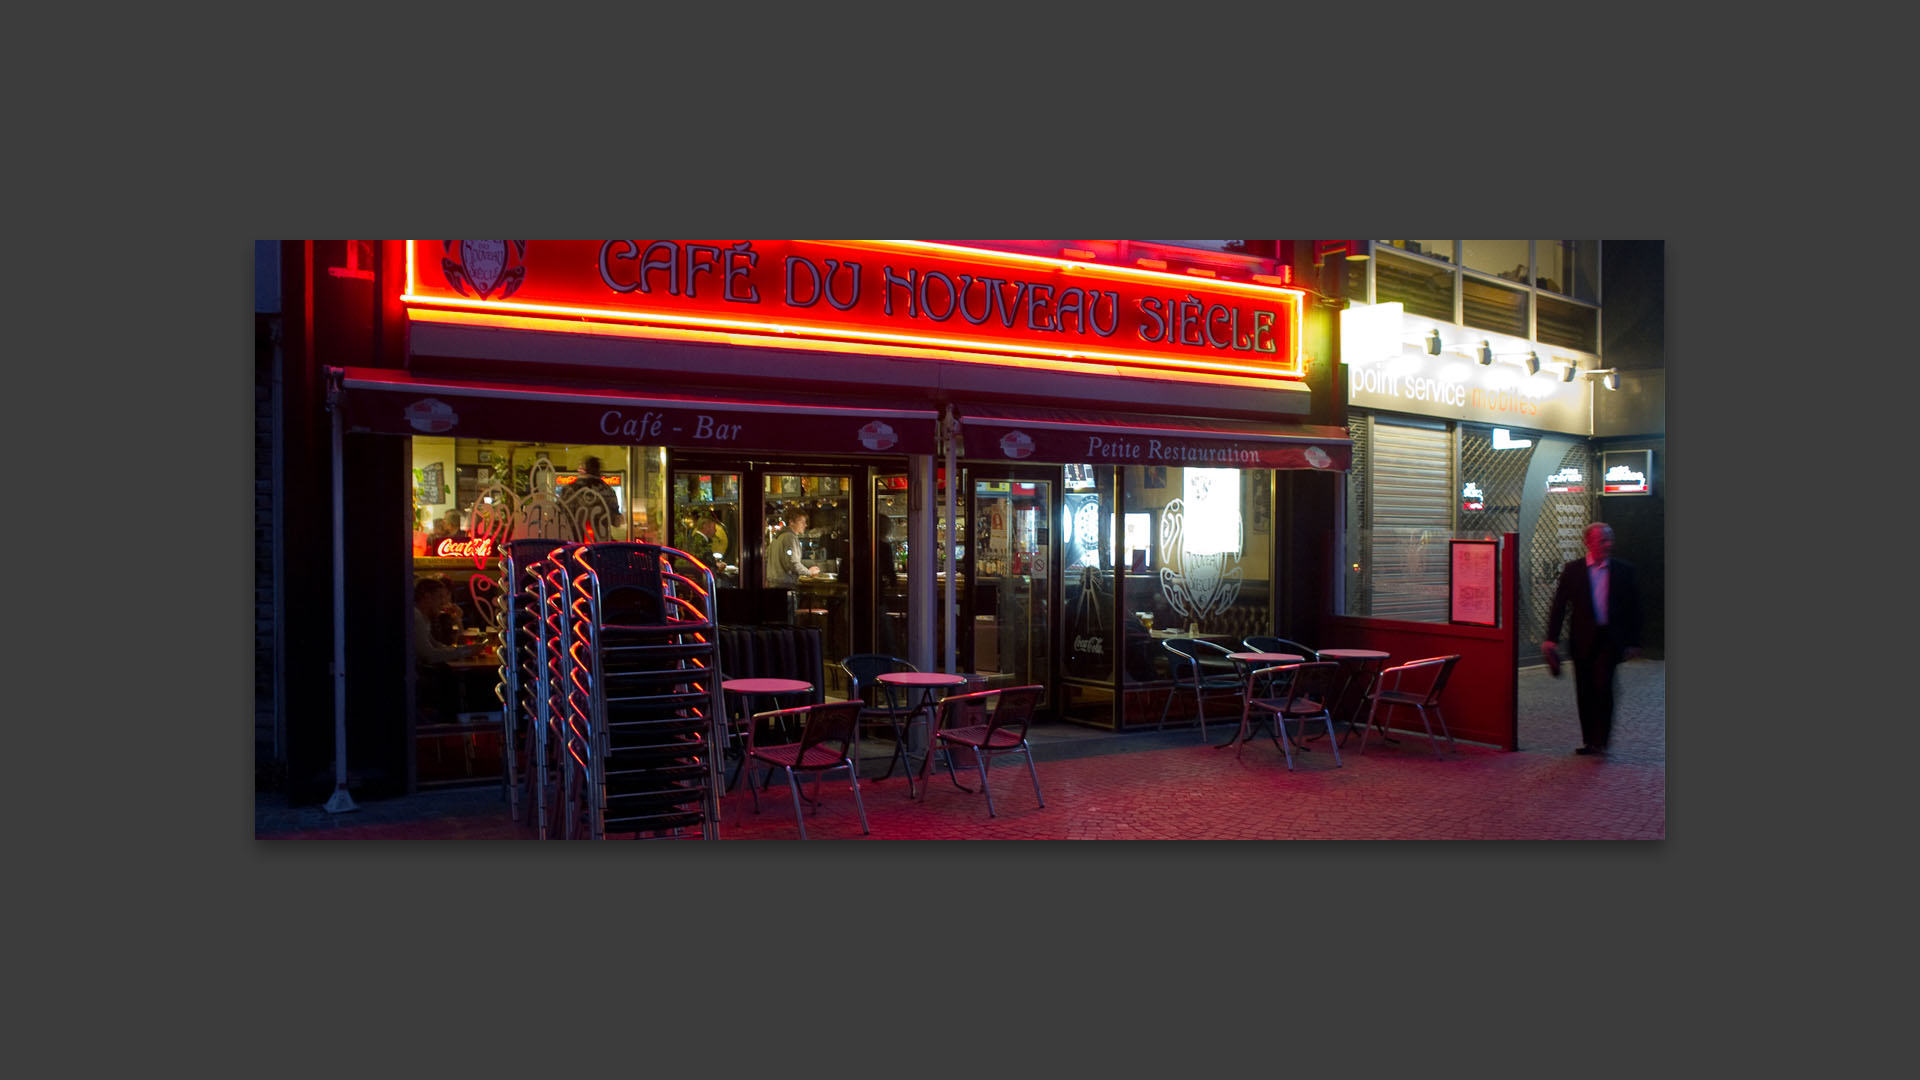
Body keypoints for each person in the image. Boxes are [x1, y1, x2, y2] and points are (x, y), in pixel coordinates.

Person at [1544, 521, 1643, 756]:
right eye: (1602, 540)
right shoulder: (1574, 570)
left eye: (1610, 539)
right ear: (1588, 542)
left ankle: (1601, 738)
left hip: (1609, 639)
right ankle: (1589, 740)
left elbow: (1634, 608)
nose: (1608, 544)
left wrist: (1634, 641)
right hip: (1582, 639)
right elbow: (1559, 606)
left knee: (1604, 687)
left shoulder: (1623, 570)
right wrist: (1551, 638)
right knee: (1585, 689)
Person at [413, 577, 478, 721]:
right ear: (427, 596)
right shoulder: (416, 616)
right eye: (440, 597)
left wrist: (466, 650)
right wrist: (466, 651)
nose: (444, 602)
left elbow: (437, 645)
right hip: (417, 681)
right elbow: (429, 655)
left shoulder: (423, 617)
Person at [563, 456, 620, 541]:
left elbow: (561, 517)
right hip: (600, 545)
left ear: (581, 470)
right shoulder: (608, 490)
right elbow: (616, 522)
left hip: (573, 543)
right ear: (598, 471)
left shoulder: (568, 490)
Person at [766, 508, 820, 587]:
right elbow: (792, 563)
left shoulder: (778, 537)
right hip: (785, 585)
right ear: (791, 522)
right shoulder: (789, 537)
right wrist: (809, 572)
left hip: (774, 583)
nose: (805, 525)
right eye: (802, 522)